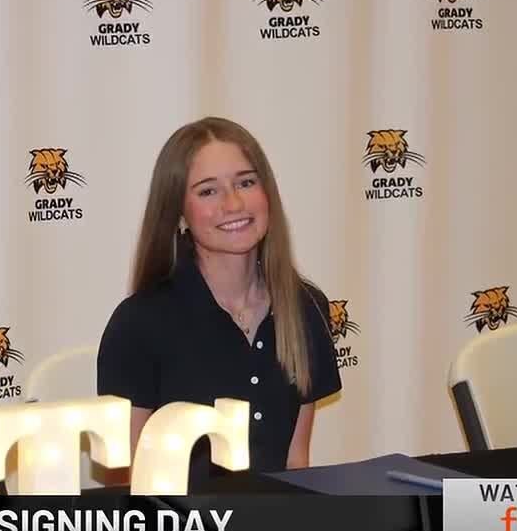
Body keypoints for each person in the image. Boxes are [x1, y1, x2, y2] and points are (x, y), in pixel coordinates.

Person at [97, 116, 342, 489]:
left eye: (246, 182)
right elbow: (126, 480)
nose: (234, 203)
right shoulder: (138, 323)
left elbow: (295, 462)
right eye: (208, 191)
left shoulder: (306, 308)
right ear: (178, 212)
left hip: (276, 523)